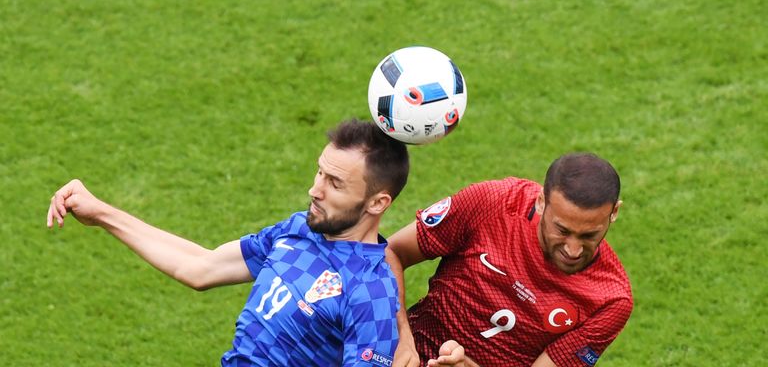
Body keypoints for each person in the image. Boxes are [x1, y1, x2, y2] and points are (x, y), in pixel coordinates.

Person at [46, 119, 410, 367]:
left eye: (335, 183)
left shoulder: (371, 291)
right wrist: (101, 214)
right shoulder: (298, 230)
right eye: (319, 171)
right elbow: (201, 267)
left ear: (378, 203)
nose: (314, 190)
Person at [388, 153, 633, 367]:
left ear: (615, 212)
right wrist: (403, 339)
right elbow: (392, 252)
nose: (573, 249)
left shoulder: (610, 300)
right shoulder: (494, 203)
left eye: (589, 235)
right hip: (402, 351)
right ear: (541, 202)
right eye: (562, 230)